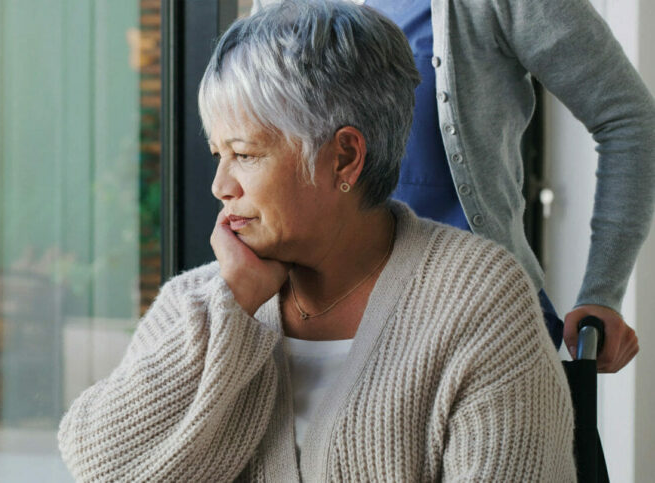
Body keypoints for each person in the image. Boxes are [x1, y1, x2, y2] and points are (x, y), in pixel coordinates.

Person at [57, 1, 575, 480]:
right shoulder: (198, 300)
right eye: (219, 154)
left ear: (345, 157)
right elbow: (101, 468)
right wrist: (232, 306)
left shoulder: (480, 299)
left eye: (245, 154)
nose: (220, 186)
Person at [252, 0, 655, 373]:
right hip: (309, 345)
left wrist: (602, 291)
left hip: (480, 337)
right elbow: (248, 141)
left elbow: (628, 119)